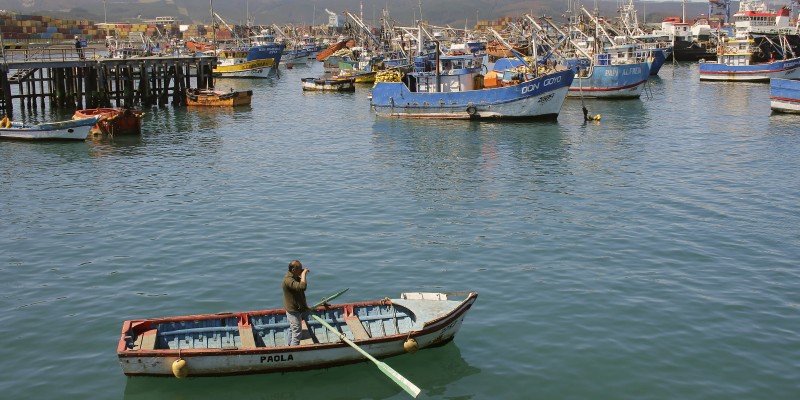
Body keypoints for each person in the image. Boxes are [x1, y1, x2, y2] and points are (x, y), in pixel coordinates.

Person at [282, 260, 310, 346]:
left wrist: (305, 306)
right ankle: (293, 350)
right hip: (293, 311)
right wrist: (304, 274)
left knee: (292, 329)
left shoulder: (294, 276)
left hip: (296, 309)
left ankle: (289, 346)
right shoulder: (288, 280)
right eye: (300, 269)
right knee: (297, 333)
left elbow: (300, 288)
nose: (301, 271)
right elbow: (302, 287)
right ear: (293, 270)